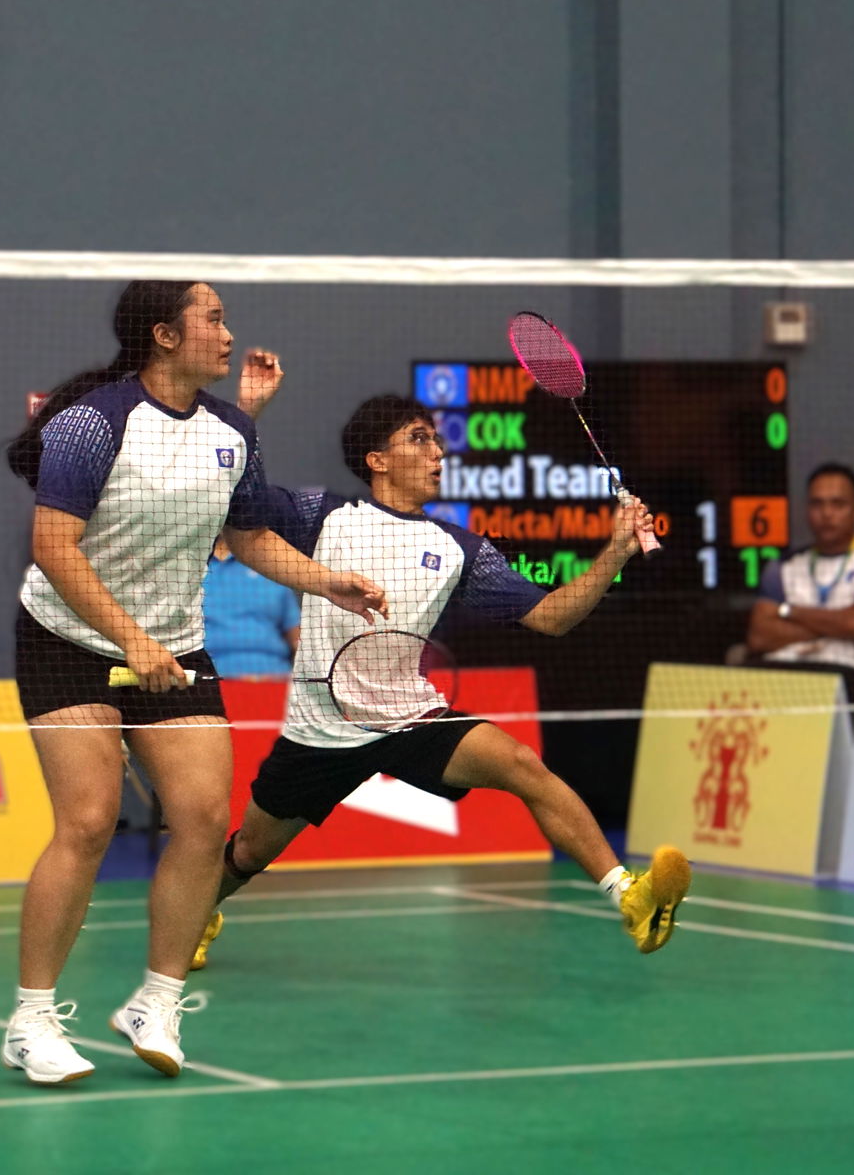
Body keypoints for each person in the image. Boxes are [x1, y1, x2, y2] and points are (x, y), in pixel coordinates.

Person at [0, 280, 387, 1086]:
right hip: (66, 639)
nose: (228, 332)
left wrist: (324, 582)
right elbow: (52, 546)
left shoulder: (231, 432)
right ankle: (31, 1018)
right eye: (211, 318)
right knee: (89, 821)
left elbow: (246, 536)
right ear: (163, 336)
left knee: (207, 819)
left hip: (170, 646)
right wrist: (129, 640)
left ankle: (157, 1001)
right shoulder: (90, 425)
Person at [188, 394, 691, 971]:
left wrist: (616, 551)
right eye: (419, 439)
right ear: (377, 460)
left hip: (411, 717)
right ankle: (200, 911)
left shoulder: (458, 550)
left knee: (525, 767)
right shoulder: (322, 515)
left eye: (436, 440)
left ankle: (631, 895)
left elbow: (552, 617)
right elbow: (238, 499)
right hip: (322, 730)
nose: (438, 452)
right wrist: (247, 410)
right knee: (250, 850)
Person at [744, 463, 854, 694]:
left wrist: (790, 612)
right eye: (817, 504)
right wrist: (838, 622)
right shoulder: (781, 566)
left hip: (844, 671)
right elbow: (759, 637)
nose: (827, 514)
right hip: (781, 670)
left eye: (838, 504)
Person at [202, 536, 300, 677]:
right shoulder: (190, 568)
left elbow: (295, 639)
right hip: (208, 682)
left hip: (273, 681)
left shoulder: (271, 564)